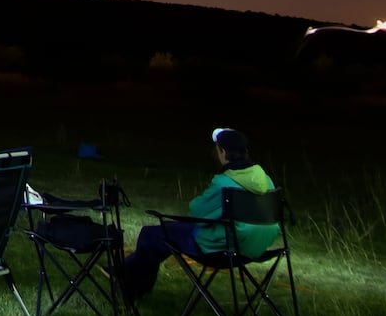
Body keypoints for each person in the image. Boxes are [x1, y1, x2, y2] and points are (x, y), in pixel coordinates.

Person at [118, 127, 279, 304]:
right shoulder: (268, 181)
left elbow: (197, 213)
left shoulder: (224, 183)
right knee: (162, 236)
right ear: (246, 152)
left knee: (153, 234)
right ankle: (125, 271)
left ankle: (131, 288)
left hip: (221, 248)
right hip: (255, 248)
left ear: (222, 152)